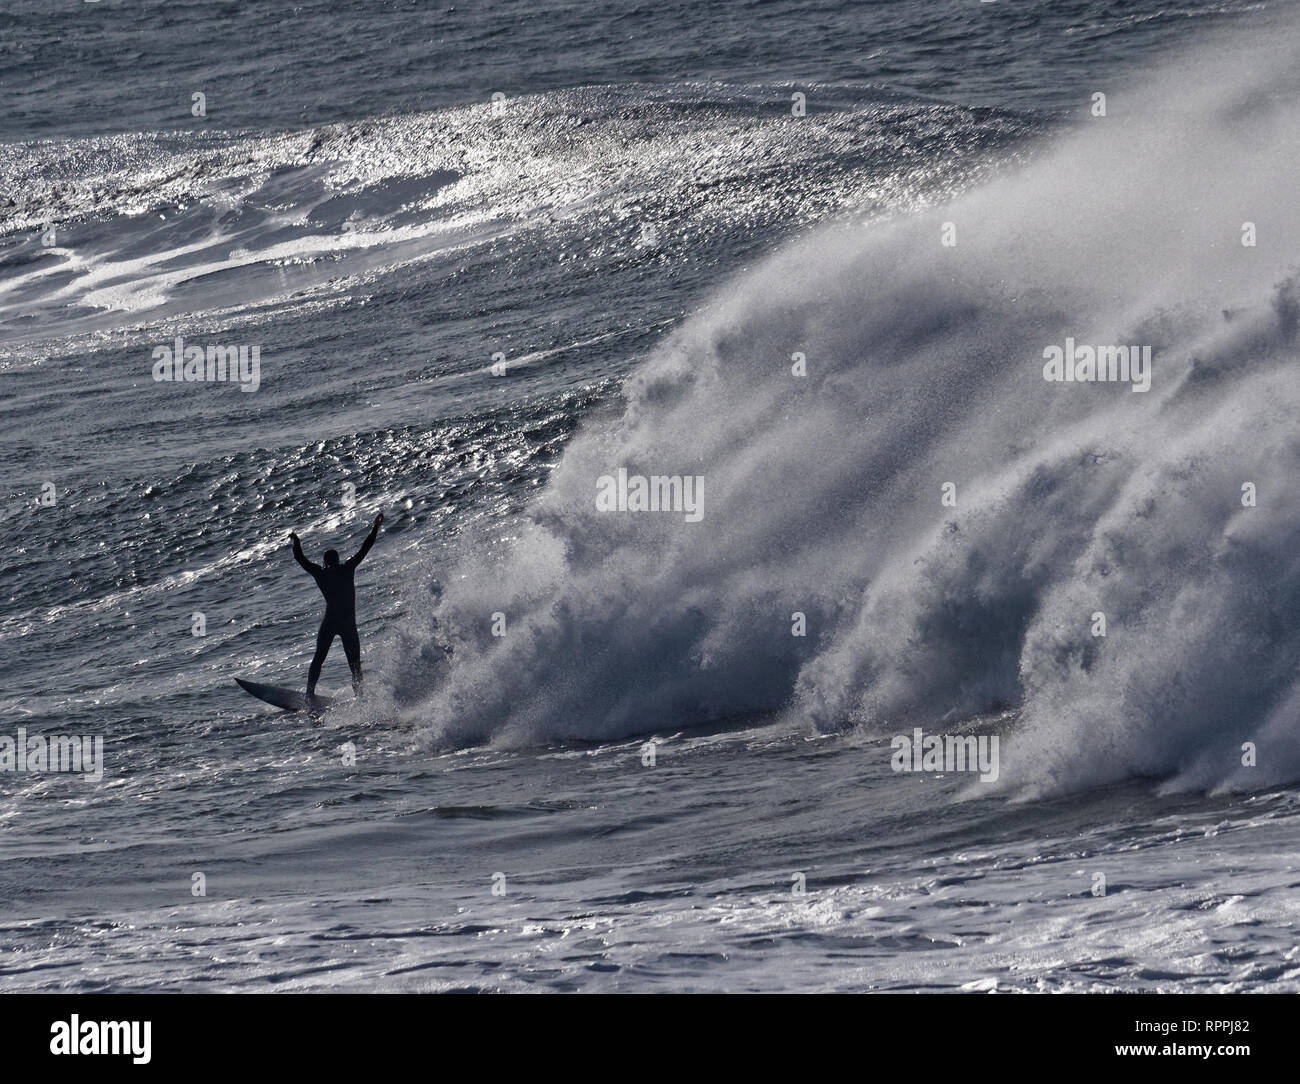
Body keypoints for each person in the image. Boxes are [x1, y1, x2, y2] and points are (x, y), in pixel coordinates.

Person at [289, 513, 383, 702]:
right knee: (355, 666)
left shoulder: (320, 573)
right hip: (348, 624)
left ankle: (309, 694)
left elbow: (300, 559)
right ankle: (361, 699)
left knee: (319, 659)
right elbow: (366, 546)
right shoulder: (347, 568)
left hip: (329, 622)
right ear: (338, 560)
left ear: (325, 562)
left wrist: (296, 541)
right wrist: (376, 526)